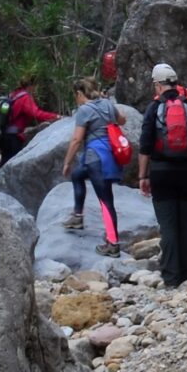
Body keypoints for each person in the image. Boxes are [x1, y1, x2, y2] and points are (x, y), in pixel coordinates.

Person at [138, 60, 187, 288]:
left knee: (168, 226)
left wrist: (143, 176)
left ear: (159, 85)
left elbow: (145, 146)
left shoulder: (153, 109)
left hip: (162, 175)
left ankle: (171, 278)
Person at [60, 79, 125, 255]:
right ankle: (78, 217)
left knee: (105, 201)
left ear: (80, 94)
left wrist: (67, 162)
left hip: (95, 159)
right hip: (109, 156)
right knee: (77, 176)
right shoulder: (107, 103)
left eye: (76, 96)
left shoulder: (84, 110)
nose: (76, 99)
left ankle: (113, 243)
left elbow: (76, 140)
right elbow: (122, 120)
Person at [1, 79, 58, 160]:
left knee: (5, 162)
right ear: (31, 86)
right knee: (11, 163)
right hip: (13, 138)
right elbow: (36, 113)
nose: (35, 90)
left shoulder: (14, 94)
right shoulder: (25, 98)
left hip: (5, 135)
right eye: (35, 86)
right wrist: (56, 116)